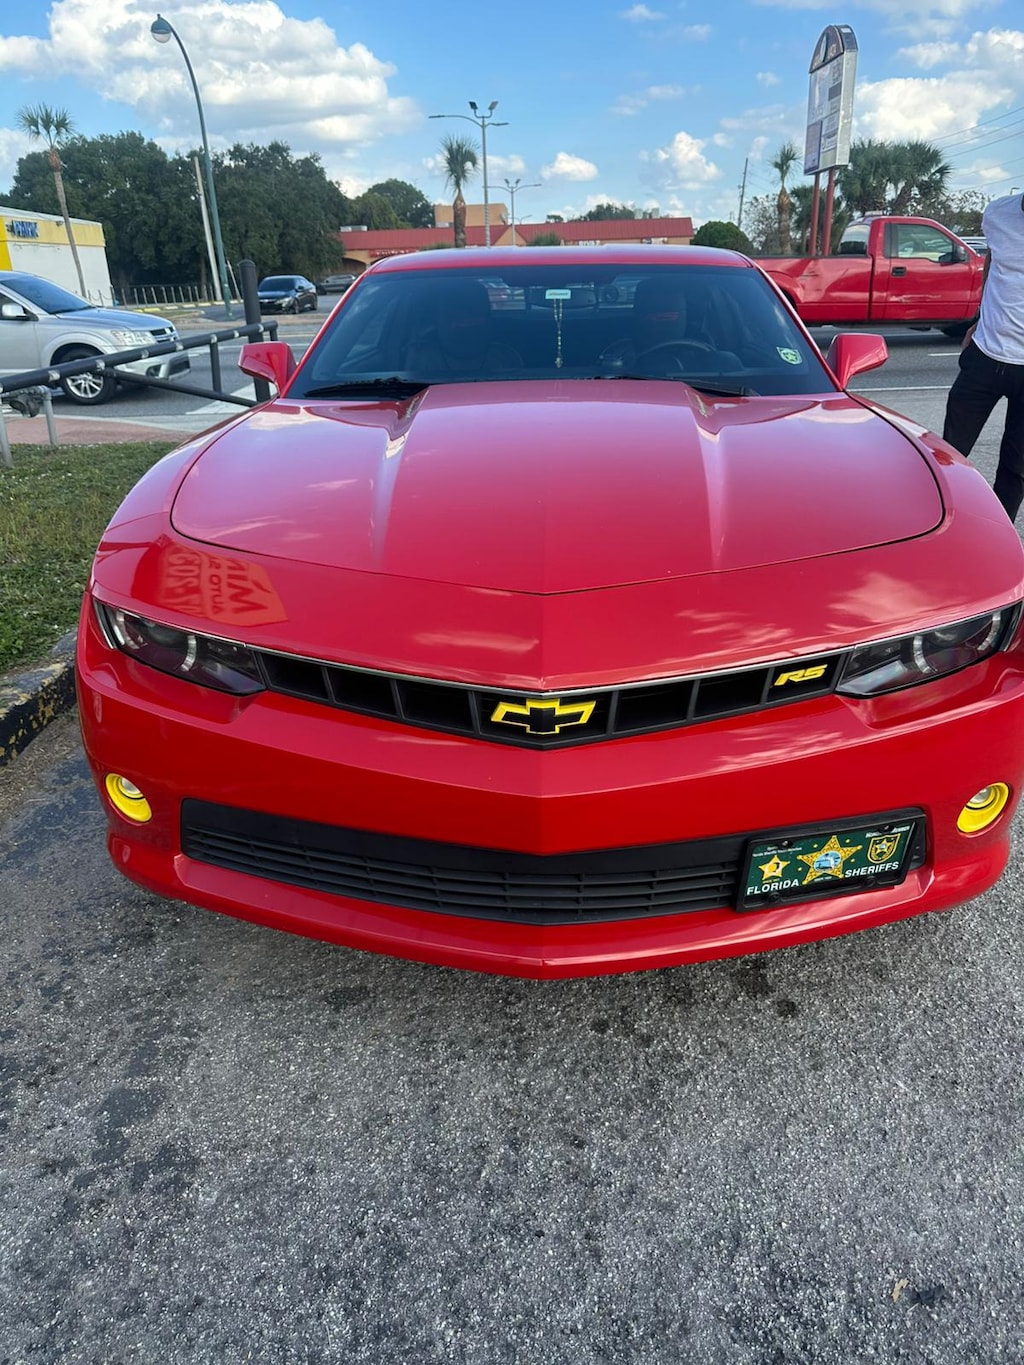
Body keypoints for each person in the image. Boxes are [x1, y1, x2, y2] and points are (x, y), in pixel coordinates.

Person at [942, 191, 1024, 521]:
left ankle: (996, 538)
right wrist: (978, 317)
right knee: (948, 456)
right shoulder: (998, 213)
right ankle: (943, 526)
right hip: (985, 355)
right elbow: (994, 261)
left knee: (1016, 470)